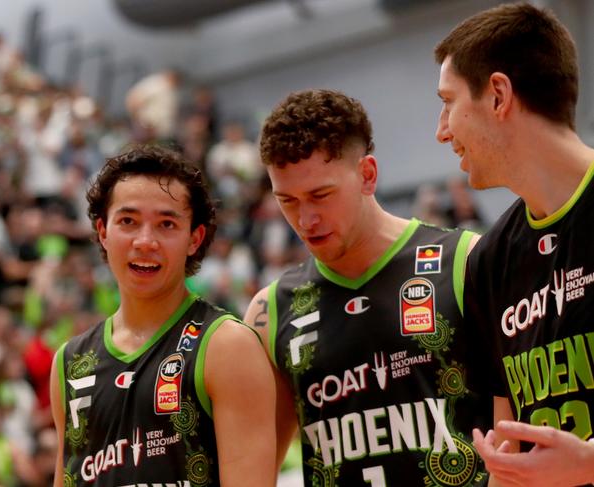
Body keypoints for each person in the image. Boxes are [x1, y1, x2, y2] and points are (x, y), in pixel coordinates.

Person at [244, 88, 491, 486]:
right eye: (287, 201)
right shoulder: (269, 310)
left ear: (368, 175)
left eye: (320, 195)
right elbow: (252, 468)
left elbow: (519, 423)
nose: (305, 220)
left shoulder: (465, 260)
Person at [434, 3, 594, 486]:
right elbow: (510, 445)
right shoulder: (490, 258)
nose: (442, 130)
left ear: (498, 94)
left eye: (448, 101)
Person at [50, 145, 276, 486]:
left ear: (194, 239)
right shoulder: (70, 363)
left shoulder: (227, 345)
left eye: (166, 224)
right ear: (103, 232)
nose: (145, 241)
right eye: (128, 221)